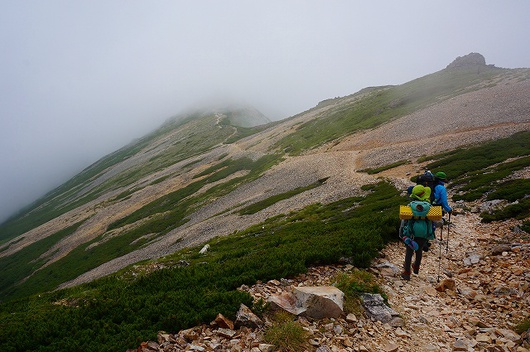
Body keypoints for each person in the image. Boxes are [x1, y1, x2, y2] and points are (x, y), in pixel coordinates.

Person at [400, 185, 435, 280]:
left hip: (411, 233)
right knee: (419, 250)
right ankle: (416, 267)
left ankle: (407, 272)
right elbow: (434, 221)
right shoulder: (429, 206)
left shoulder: (410, 205)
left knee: (409, 252)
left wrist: (402, 233)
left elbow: (404, 220)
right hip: (424, 234)